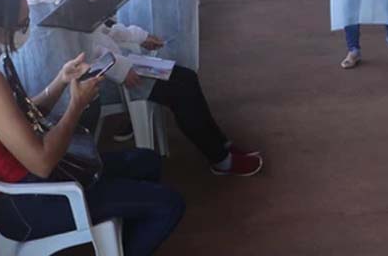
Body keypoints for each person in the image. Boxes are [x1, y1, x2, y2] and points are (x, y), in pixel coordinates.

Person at [0, 0, 184, 256]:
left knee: (147, 162)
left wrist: (60, 81)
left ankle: (117, 243)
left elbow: (21, 117)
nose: (26, 30)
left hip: (31, 186)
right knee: (168, 205)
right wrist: (76, 105)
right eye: (21, 25)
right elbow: (43, 161)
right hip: (29, 205)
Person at [90, 21, 263, 176]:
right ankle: (221, 160)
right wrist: (120, 68)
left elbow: (102, 29)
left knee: (187, 78)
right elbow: (84, 53)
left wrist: (139, 37)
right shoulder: (64, 5)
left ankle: (220, 142)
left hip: (118, 63)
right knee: (180, 93)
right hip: (102, 78)